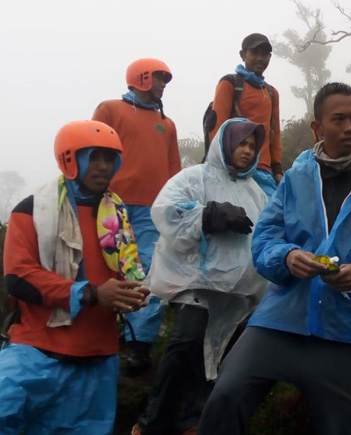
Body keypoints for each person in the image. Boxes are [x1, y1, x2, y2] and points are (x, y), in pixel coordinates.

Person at [197, 83, 351, 435]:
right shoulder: (296, 178)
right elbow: (265, 238)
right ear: (317, 128)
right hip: (281, 318)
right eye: (339, 119)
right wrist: (287, 257)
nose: (350, 127)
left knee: (348, 421)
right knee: (227, 393)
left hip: (347, 327)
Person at [0, 120, 149, 434]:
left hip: (96, 361)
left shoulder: (117, 216)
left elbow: (126, 272)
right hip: (35, 353)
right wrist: (91, 293)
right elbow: (18, 277)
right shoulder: (30, 210)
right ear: (70, 159)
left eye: (110, 159)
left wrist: (133, 295)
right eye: (93, 157)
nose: (103, 167)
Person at [130, 118, 269, 435]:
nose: (247, 151)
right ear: (225, 144)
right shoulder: (195, 177)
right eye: (241, 144)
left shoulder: (256, 193)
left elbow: (266, 236)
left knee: (219, 353)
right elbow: (165, 210)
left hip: (235, 290)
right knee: (185, 344)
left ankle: (193, 420)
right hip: (195, 281)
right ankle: (151, 421)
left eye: (252, 146)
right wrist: (208, 214)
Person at [93, 58, 181, 375]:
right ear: (141, 78)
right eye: (159, 78)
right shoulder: (110, 109)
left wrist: (177, 202)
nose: (163, 85)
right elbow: (93, 150)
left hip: (152, 210)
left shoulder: (166, 123)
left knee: (152, 272)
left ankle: (139, 346)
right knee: (103, 266)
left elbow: (174, 171)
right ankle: (99, 334)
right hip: (110, 204)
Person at [205, 33, 283, 198]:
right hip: (233, 170)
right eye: (255, 53)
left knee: (272, 219)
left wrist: (277, 170)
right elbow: (217, 129)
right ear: (243, 54)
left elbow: (274, 134)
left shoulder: (272, 93)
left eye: (265, 54)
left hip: (263, 171)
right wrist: (222, 167)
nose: (260, 58)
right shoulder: (230, 84)